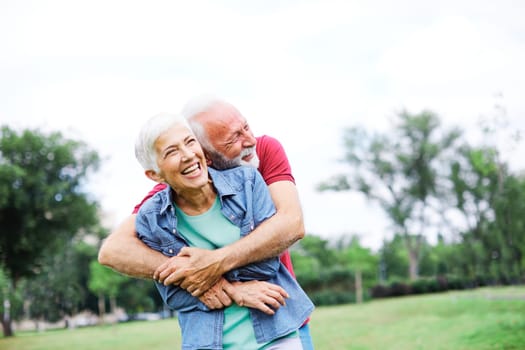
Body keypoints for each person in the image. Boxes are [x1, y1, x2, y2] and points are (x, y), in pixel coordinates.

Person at [98, 95, 314, 348]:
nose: (249, 141)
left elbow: (292, 224)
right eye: (233, 138)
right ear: (208, 153)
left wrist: (212, 264)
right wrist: (209, 280)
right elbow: (113, 250)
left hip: (279, 321)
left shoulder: (260, 156)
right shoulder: (162, 200)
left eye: (245, 126)